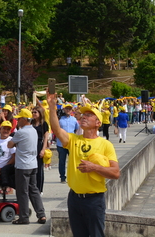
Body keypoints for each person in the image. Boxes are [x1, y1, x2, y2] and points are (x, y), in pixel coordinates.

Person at [48, 92, 120, 237]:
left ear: (98, 123)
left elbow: (116, 173)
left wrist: (94, 168)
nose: (83, 117)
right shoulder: (74, 139)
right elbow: (56, 129)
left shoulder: (105, 144)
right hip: (74, 198)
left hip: (94, 200)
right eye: (83, 115)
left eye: (89, 115)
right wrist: (51, 107)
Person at [7, 109, 46, 225]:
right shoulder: (33, 130)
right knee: (34, 190)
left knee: (22, 192)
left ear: (24, 120)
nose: (17, 121)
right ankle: (41, 214)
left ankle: (24, 217)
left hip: (22, 165)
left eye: (19, 119)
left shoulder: (21, 132)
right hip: (33, 164)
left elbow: (10, 145)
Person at [56, 104, 79, 183]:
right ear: (64, 109)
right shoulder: (60, 119)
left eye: (69, 109)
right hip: (61, 143)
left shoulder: (74, 119)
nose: (68, 110)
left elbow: (77, 129)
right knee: (62, 161)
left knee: (72, 161)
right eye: (67, 109)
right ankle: (62, 177)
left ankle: (73, 176)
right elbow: (56, 130)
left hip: (71, 143)